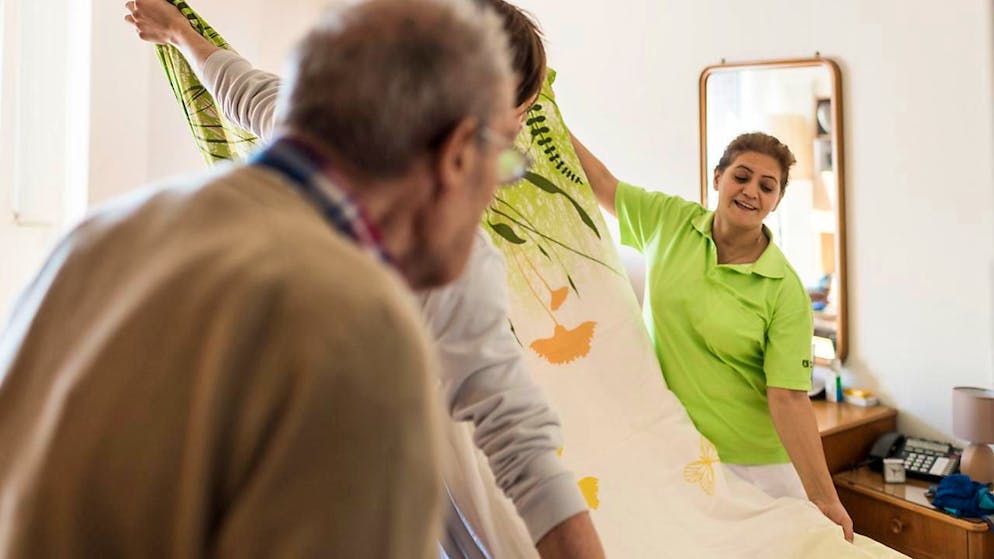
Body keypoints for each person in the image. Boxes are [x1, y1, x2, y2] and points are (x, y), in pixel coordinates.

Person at [0, 1, 518, 557]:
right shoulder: (358, 321)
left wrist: (180, 34)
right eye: (507, 158)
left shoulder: (100, 237)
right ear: (457, 153)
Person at [124, 1, 605, 558]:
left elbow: (240, 90)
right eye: (502, 139)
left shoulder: (144, 234)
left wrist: (182, 35)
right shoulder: (448, 259)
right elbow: (518, 440)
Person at [570, 131, 855, 542]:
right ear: (718, 177)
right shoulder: (670, 221)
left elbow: (789, 398)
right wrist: (542, 102)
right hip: (678, 449)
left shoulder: (782, 289)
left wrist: (824, 498)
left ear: (776, 202)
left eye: (767, 186)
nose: (751, 191)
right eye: (742, 176)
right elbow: (601, 182)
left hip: (755, 468)